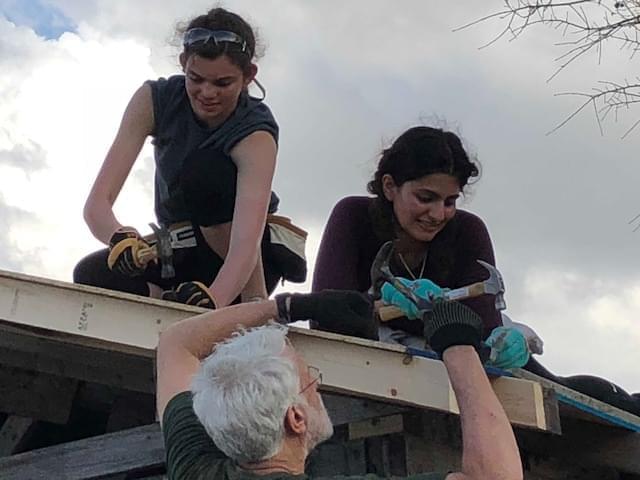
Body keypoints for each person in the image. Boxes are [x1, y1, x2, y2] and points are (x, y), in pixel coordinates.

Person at [156, 288, 523, 480]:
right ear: (295, 419)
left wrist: (292, 307)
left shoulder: (194, 469)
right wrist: (458, 345)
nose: (317, 384)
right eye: (308, 380)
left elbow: (176, 343)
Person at [74, 7, 305, 309]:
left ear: (248, 75)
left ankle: (249, 305)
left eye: (223, 83)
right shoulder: (155, 99)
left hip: (245, 258)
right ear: (183, 63)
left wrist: (217, 299)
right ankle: (171, 304)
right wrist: (119, 237)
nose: (207, 92)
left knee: (203, 171)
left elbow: (244, 248)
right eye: (195, 79)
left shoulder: (255, 133)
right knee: (92, 274)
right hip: (180, 249)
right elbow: (97, 204)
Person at [313, 126, 502, 340]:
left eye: (450, 202)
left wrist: (501, 342)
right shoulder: (353, 216)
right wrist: (382, 307)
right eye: (425, 198)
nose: (438, 215)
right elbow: (324, 318)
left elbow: (486, 327)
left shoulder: (469, 232)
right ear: (389, 186)